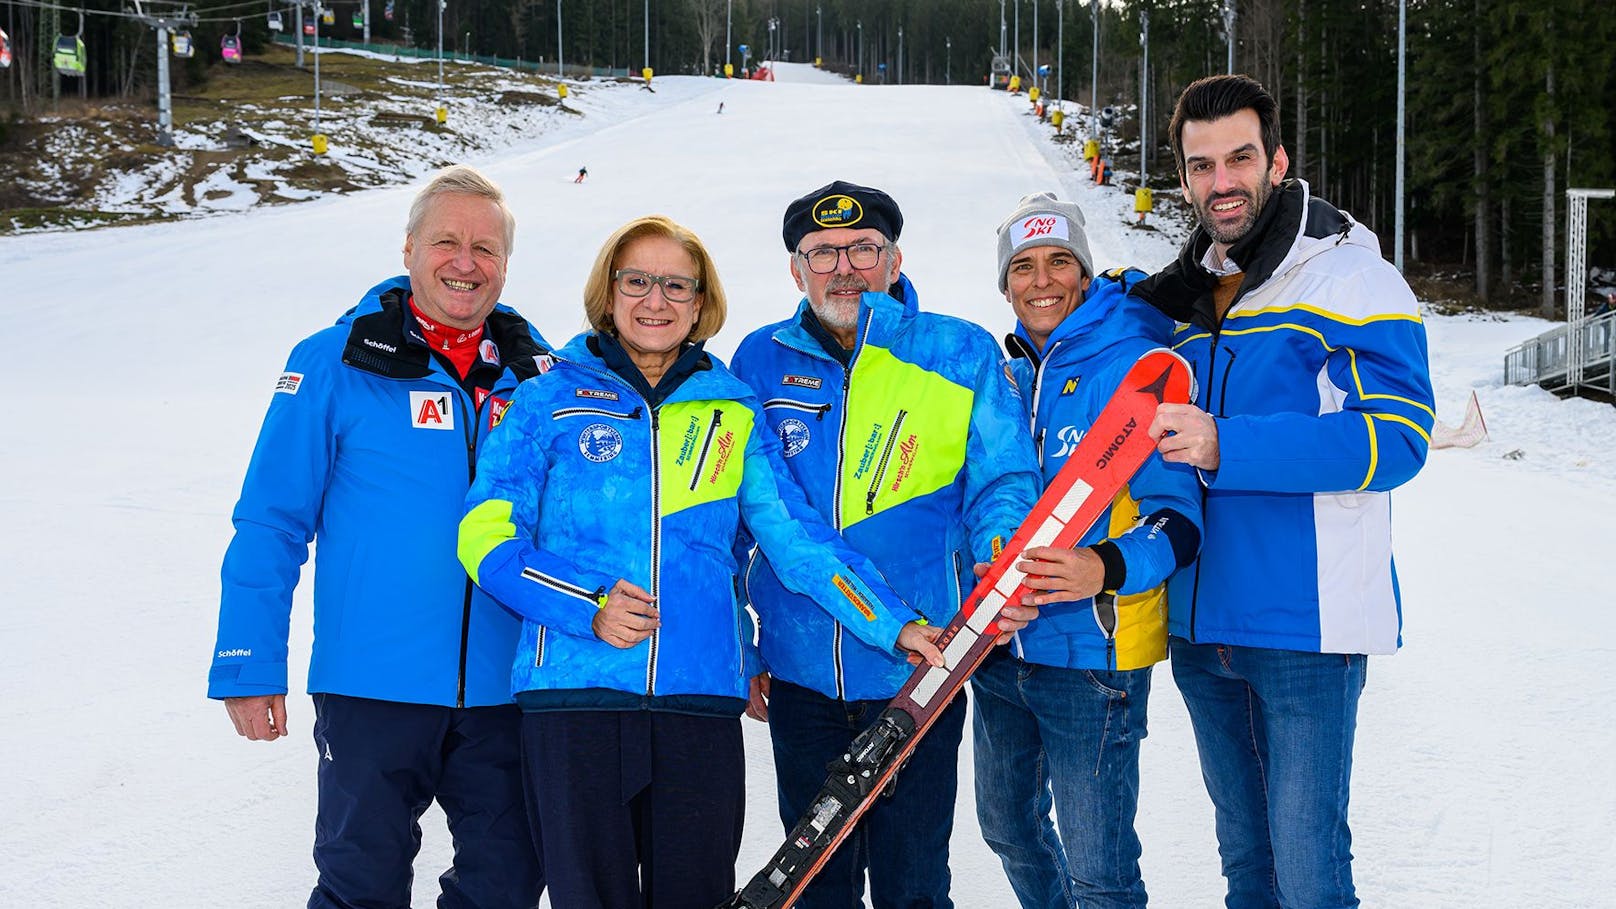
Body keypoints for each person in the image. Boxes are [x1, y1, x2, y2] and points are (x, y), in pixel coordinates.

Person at [456, 215, 943, 909]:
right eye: (639, 281)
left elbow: (796, 540)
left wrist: (893, 624)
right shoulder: (545, 398)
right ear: (609, 291)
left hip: (699, 702)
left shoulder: (731, 407)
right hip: (575, 697)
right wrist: (586, 604)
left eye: (676, 285)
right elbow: (485, 535)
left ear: (700, 301)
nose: (656, 300)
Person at [208, 165, 550, 909]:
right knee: (360, 883)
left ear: (506, 262)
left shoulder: (539, 376)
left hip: (506, 688)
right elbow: (272, 519)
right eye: (447, 241)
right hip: (371, 685)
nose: (466, 262)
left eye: (486, 248)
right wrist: (247, 660)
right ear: (408, 249)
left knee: (509, 882)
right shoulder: (333, 362)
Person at [1135, 74, 1434, 908]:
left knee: (1308, 874)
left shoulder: (1348, 276)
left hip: (1306, 629)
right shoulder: (1192, 291)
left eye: (1238, 157)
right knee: (1247, 866)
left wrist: (1230, 441)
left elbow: (1396, 437)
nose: (1220, 181)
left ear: (1277, 159)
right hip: (1201, 626)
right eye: (1201, 166)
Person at [731, 181, 1044, 909]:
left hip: (922, 671)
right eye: (823, 252)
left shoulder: (956, 350)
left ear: (894, 259)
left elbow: (1002, 480)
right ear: (796, 270)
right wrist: (743, 651)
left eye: (864, 249)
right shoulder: (758, 361)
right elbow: (737, 525)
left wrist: (999, 561)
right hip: (800, 679)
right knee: (815, 887)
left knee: (914, 885)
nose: (845, 268)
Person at [972, 193, 1201, 909]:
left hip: (1094, 659)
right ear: (1006, 283)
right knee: (1008, 828)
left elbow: (1179, 520)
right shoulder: (1006, 376)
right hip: (1003, 652)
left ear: (1084, 271)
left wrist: (1101, 567)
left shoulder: (1137, 363)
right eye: (1024, 266)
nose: (1042, 281)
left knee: (1101, 864)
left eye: (1059, 262)